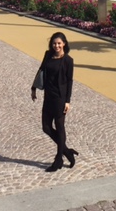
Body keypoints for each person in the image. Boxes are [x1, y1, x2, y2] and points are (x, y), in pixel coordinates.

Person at [31, 32, 78, 172]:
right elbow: (41, 70)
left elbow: (69, 81)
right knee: (46, 127)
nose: (56, 46)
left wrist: (67, 101)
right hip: (48, 96)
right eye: (54, 43)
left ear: (64, 44)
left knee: (60, 127)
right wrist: (33, 88)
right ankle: (67, 152)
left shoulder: (68, 60)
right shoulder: (48, 55)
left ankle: (58, 159)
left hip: (60, 98)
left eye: (59, 43)